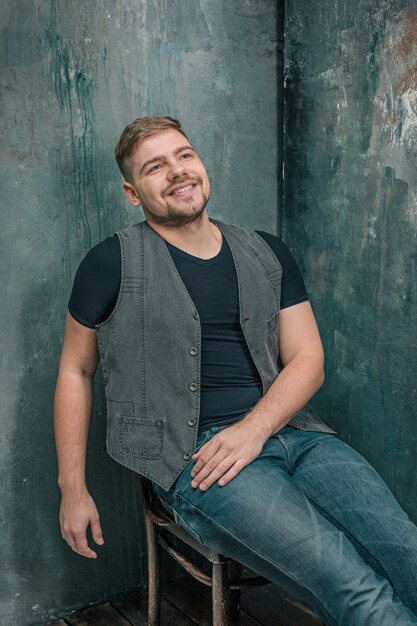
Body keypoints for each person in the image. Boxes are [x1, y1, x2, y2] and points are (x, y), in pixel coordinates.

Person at [54, 116, 417, 625]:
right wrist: (73, 489)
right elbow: (75, 370)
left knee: (406, 553)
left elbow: (308, 359)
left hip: (299, 437)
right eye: (155, 167)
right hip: (199, 461)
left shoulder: (266, 250)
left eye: (184, 156)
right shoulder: (109, 262)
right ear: (133, 193)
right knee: (350, 583)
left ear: (200, 164)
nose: (177, 172)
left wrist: (254, 430)